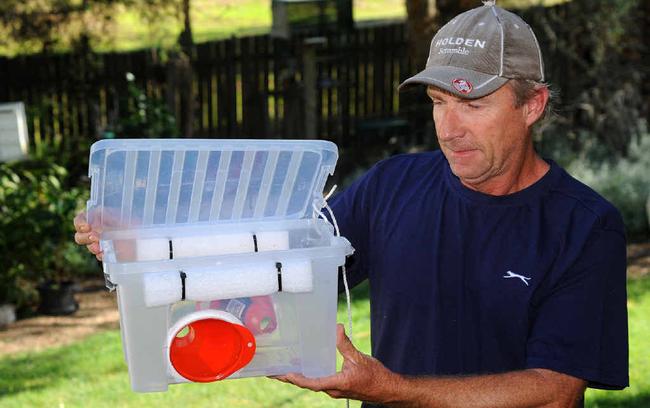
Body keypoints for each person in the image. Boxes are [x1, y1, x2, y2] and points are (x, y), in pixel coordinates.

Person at [75, 3, 628, 407]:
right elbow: (274, 264)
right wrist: (142, 239)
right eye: (438, 101)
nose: (449, 128)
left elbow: (554, 390)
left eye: (473, 104)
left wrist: (390, 390)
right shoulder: (394, 185)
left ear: (532, 104)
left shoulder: (583, 226)